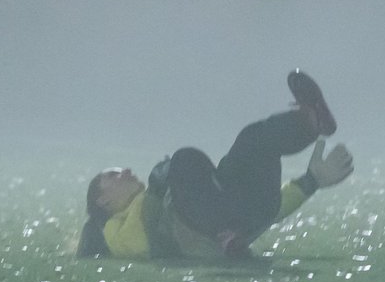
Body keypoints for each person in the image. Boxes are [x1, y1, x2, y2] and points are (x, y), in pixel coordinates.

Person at [78, 70, 354, 259]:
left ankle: (309, 122)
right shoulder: (113, 228)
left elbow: (271, 209)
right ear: (102, 201)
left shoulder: (166, 194)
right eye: (113, 176)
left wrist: (311, 181)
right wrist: (156, 189)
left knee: (250, 139)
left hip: (236, 212)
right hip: (203, 234)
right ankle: (224, 236)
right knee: (184, 159)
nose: (125, 171)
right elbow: (141, 243)